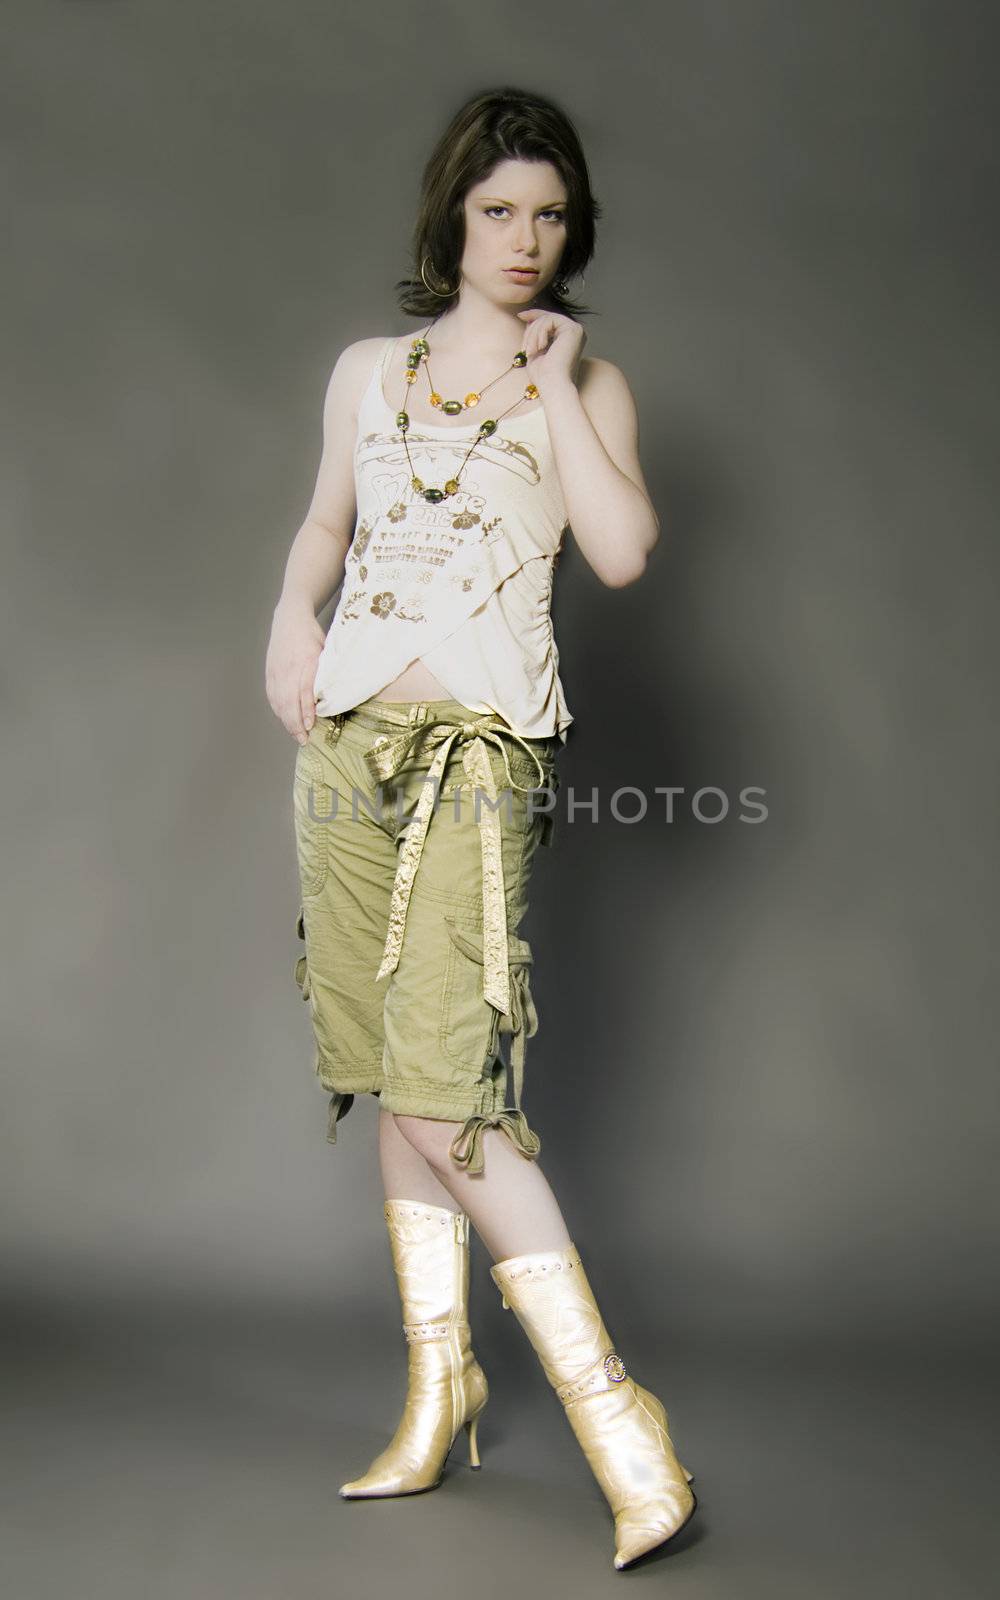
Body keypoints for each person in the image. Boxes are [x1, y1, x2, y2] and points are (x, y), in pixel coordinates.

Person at [264, 86, 696, 1570]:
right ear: (455, 214)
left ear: (575, 233)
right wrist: (284, 619)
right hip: (348, 747)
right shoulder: (367, 372)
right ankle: (438, 1383)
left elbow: (625, 554)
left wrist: (560, 384)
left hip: (483, 754)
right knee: (396, 1073)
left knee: (454, 1090)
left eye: (552, 214)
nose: (525, 238)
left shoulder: (590, 386)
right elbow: (330, 525)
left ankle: (619, 1424)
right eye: (500, 209)